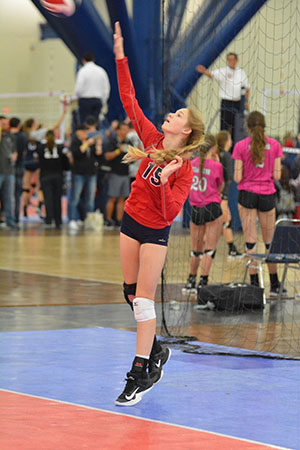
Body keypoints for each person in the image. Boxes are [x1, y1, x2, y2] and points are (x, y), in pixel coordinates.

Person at [113, 22, 205, 406]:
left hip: (155, 232)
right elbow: (129, 100)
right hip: (130, 221)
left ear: (186, 131)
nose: (171, 114)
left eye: (178, 113)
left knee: (145, 302)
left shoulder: (184, 167)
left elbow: (169, 214)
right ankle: (156, 351)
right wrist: (120, 56)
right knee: (130, 294)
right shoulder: (152, 139)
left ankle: (139, 373)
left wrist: (166, 181)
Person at [232, 111, 285, 297]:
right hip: (267, 195)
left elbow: (237, 178)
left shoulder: (240, 146)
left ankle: (255, 286)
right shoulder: (276, 145)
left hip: (247, 194)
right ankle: (275, 284)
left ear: (247, 127)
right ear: (264, 126)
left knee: (250, 242)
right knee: (270, 242)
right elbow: (277, 176)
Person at [183, 134, 224, 307]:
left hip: (196, 208)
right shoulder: (216, 165)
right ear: (213, 148)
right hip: (212, 207)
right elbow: (220, 187)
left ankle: (190, 281)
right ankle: (203, 282)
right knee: (210, 249)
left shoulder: (191, 164)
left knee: (195, 249)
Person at [197, 53, 250, 144]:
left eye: (232, 59)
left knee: (236, 127)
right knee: (224, 127)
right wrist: (204, 71)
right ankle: (221, 147)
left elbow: (247, 88)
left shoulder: (241, 72)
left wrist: (246, 101)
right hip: (226, 103)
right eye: (229, 59)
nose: (231, 62)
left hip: (238, 103)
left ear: (236, 61)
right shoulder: (223, 71)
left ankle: (233, 148)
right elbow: (212, 75)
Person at [68, 124, 102, 231]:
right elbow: (78, 152)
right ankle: (73, 219)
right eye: (83, 132)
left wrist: (98, 146)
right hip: (79, 173)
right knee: (76, 197)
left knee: (90, 199)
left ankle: (88, 220)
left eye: (86, 132)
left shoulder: (91, 142)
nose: (85, 134)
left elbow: (97, 155)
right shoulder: (75, 143)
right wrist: (87, 143)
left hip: (91, 173)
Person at [216, 130, 242, 259]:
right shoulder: (226, 156)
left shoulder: (215, 154)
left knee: (224, 221)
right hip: (222, 194)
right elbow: (230, 177)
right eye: (230, 139)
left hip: (212, 193)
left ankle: (232, 249)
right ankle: (231, 250)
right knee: (225, 221)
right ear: (226, 141)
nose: (231, 141)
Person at [35, 130, 69, 229]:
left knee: (48, 198)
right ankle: (58, 220)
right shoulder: (60, 147)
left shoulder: (40, 148)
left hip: (45, 175)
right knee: (57, 198)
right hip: (58, 176)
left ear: (45, 137)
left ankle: (49, 219)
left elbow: (37, 162)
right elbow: (66, 164)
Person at [103, 121, 130, 229]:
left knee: (122, 199)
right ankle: (108, 220)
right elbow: (107, 156)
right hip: (115, 173)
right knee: (112, 198)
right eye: (124, 129)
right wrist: (119, 150)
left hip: (125, 173)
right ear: (118, 131)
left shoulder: (128, 142)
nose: (126, 131)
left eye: (127, 129)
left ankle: (119, 221)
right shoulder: (112, 141)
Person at [74, 52, 110, 125]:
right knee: (95, 123)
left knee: (85, 123)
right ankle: (94, 135)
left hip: (85, 100)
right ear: (93, 60)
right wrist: (103, 101)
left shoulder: (83, 71)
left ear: (83, 60)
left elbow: (79, 86)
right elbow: (106, 88)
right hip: (97, 100)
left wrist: (76, 97)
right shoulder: (101, 71)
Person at [0, 117, 18, 229]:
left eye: (7, 123)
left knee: (9, 197)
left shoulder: (11, 136)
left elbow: (14, 150)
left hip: (9, 171)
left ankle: (10, 221)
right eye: (3, 123)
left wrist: (15, 155)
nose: (5, 125)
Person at [9, 117, 27, 224]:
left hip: (8, 167)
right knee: (17, 193)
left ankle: (8, 217)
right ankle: (16, 217)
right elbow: (24, 151)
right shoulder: (22, 136)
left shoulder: (6, 136)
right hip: (19, 166)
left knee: (7, 194)